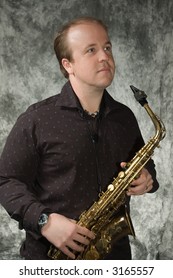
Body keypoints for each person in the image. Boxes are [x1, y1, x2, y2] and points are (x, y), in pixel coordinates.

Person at [0, 16, 158, 260]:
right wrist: (44, 221)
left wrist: (147, 177)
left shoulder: (124, 118)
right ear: (68, 64)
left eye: (107, 48)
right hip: (51, 260)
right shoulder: (37, 119)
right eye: (91, 50)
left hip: (115, 259)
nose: (104, 56)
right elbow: (6, 181)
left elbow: (144, 163)